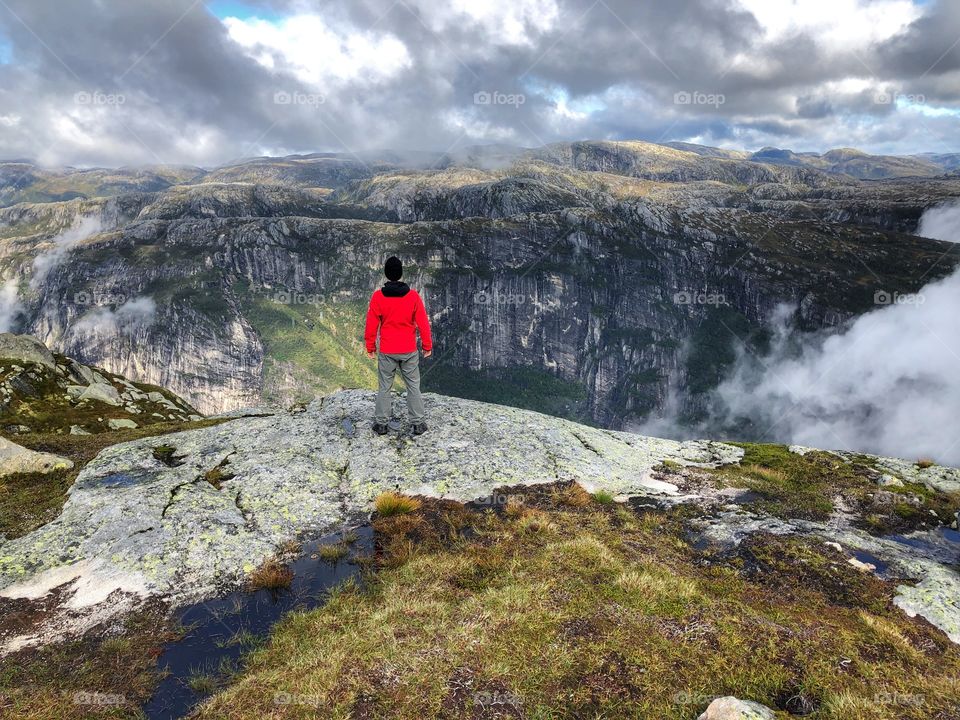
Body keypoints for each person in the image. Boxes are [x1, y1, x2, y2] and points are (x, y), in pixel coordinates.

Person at [364, 256, 433, 435]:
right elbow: (423, 324)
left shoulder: (378, 297)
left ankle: (381, 424)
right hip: (408, 350)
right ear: (401, 274)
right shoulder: (413, 297)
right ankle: (418, 424)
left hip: (387, 351)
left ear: (386, 274)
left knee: (384, 387)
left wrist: (370, 347)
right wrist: (427, 346)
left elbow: (371, 324)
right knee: (413, 386)